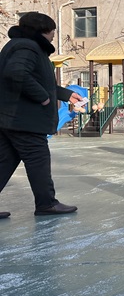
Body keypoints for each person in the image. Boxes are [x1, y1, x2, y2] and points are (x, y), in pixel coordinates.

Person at [0, 12, 82, 218]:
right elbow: (16, 73)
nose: (54, 35)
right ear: (42, 31)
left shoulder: (18, 45)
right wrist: (43, 98)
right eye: (52, 31)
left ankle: (46, 203)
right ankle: (47, 204)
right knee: (38, 159)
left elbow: (40, 81)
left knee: (5, 161)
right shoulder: (28, 47)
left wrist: (65, 94)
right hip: (24, 119)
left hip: (10, 118)